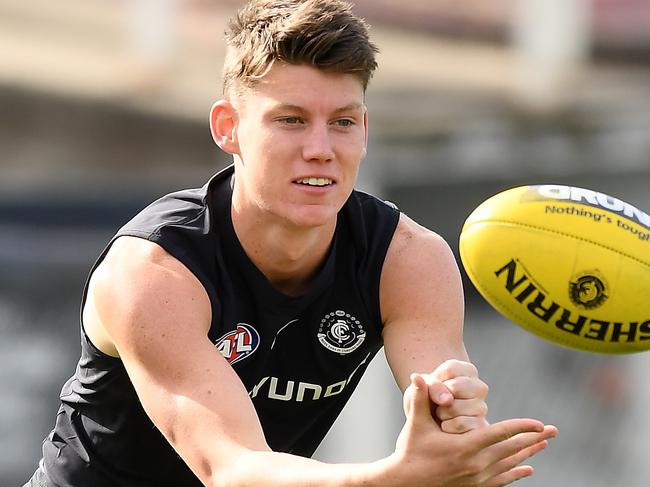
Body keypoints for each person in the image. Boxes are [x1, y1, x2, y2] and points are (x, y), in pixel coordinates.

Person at [25, 0, 557, 485]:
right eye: (291, 121)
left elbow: (438, 397)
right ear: (227, 127)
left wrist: (451, 412)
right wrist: (390, 479)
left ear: (365, 131)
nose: (321, 149)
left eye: (342, 122)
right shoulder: (152, 272)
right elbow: (231, 469)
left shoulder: (409, 259)